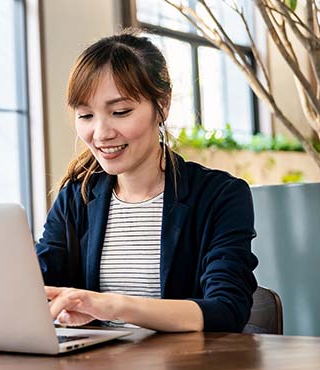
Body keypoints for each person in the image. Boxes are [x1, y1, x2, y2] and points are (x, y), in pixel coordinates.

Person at [36, 29, 258, 333]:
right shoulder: (77, 197)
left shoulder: (220, 196)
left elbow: (226, 308)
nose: (101, 133)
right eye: (85, 115)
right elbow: (36, 284)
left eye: (120, 111)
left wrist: (111, 305)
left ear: (162, 105)